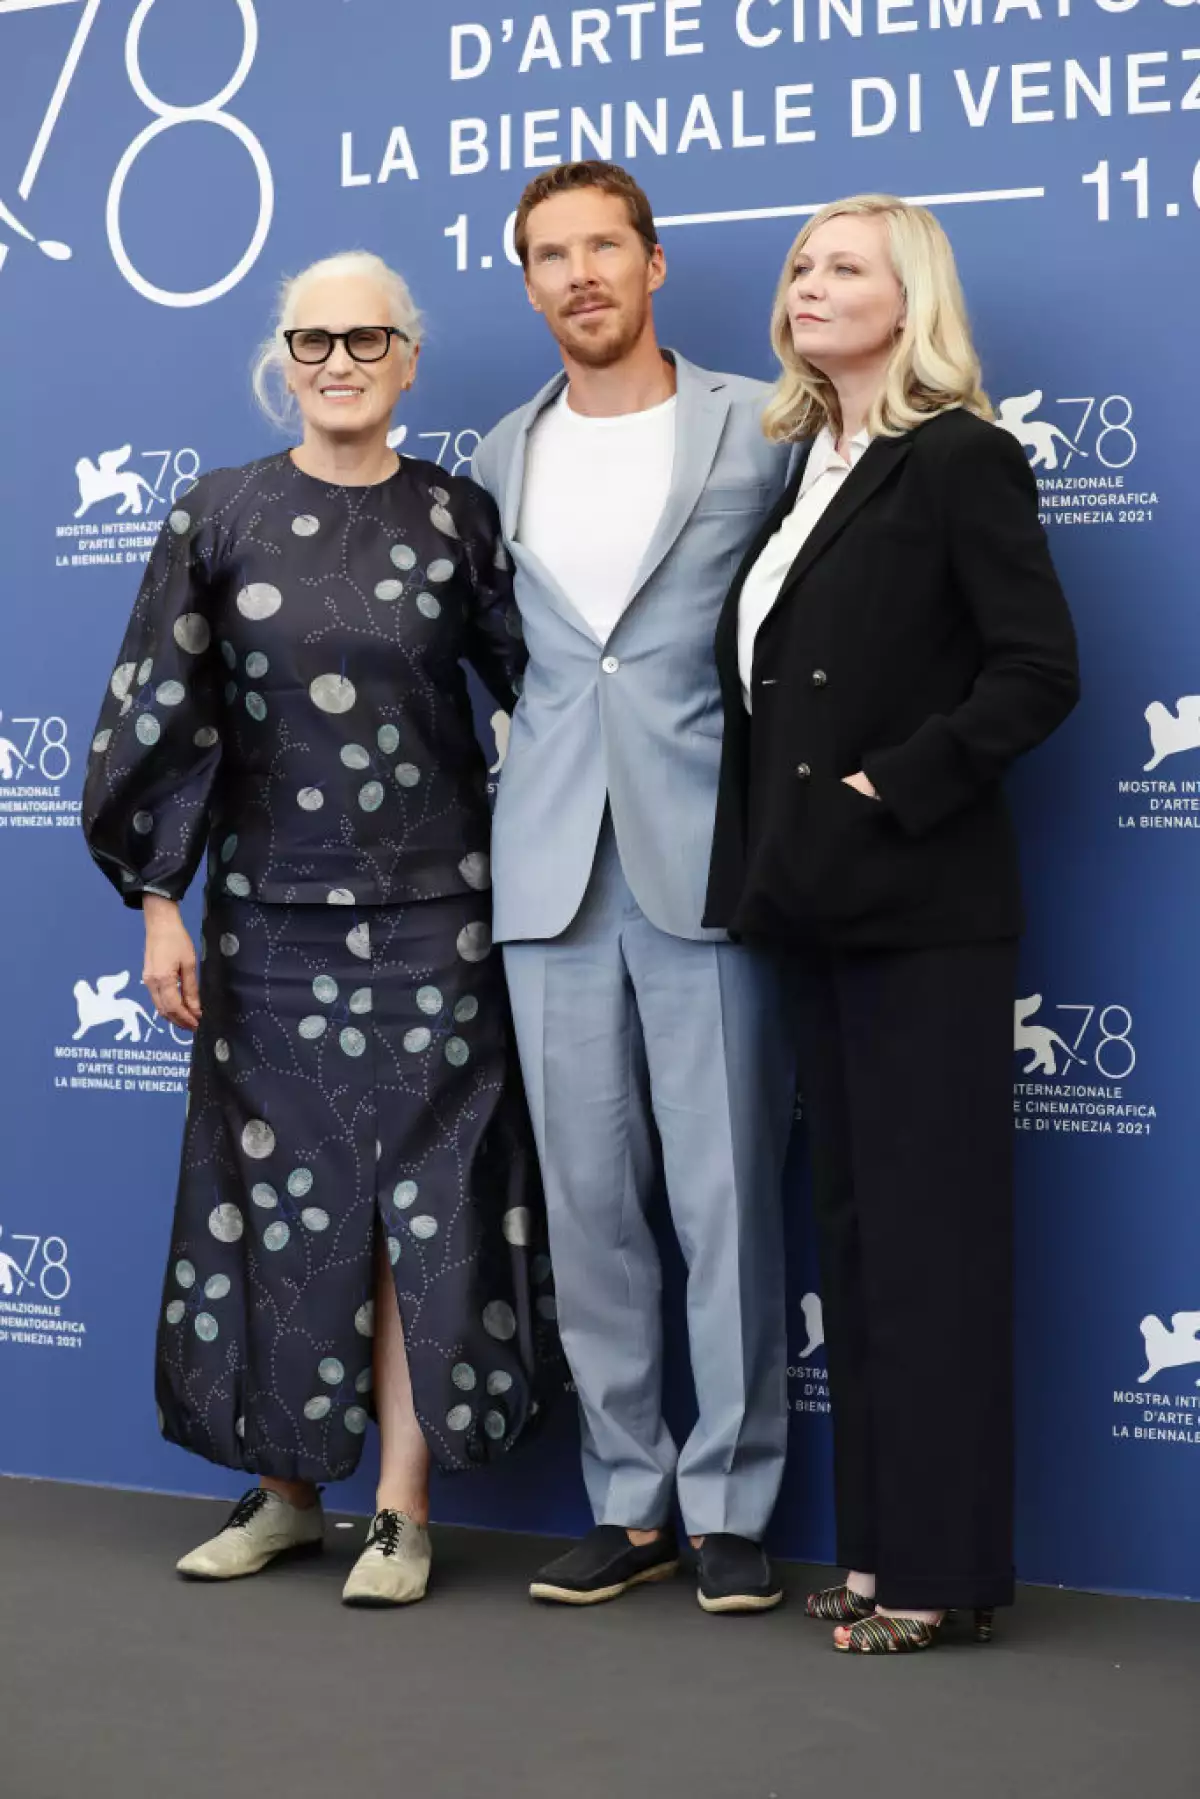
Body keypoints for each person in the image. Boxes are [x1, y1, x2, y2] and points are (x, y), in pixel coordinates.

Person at [82, 251, 550, 1607]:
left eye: (366, 338)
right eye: (312, 338)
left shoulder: (459, 516)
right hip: (268, 926)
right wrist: (160, 899)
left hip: (438, 926)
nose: (338, 360)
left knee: (427, 1202)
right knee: (276, 1207)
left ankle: (399, 1512)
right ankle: (289, 1494)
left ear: (410, 357)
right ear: (283, 359)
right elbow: (158, 718)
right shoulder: (214, 513)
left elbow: (547, 698)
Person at [704, 196, 1080, 1653]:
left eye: (843, 265)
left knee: (929, 1251)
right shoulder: (808, 468)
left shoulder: (962, 459)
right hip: (815, 911)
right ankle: (876, 1555)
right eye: (800, 264)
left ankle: (938, 1573)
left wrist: (885, 787)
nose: (809, 282)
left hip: (924, 911)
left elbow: (1038, 672)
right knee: (859, 1244)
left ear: (910, 295)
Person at [473, 161, 797, 1614]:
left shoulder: (760, 425)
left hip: (709, 858)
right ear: (530, 282)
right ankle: (632, 1497)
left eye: (605, 245)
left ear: (654, 264)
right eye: (552, 254)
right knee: (589, 1204)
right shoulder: (496, 454)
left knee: (726, 1198)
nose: (580, 272)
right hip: (545, 871)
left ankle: (732, 1502)